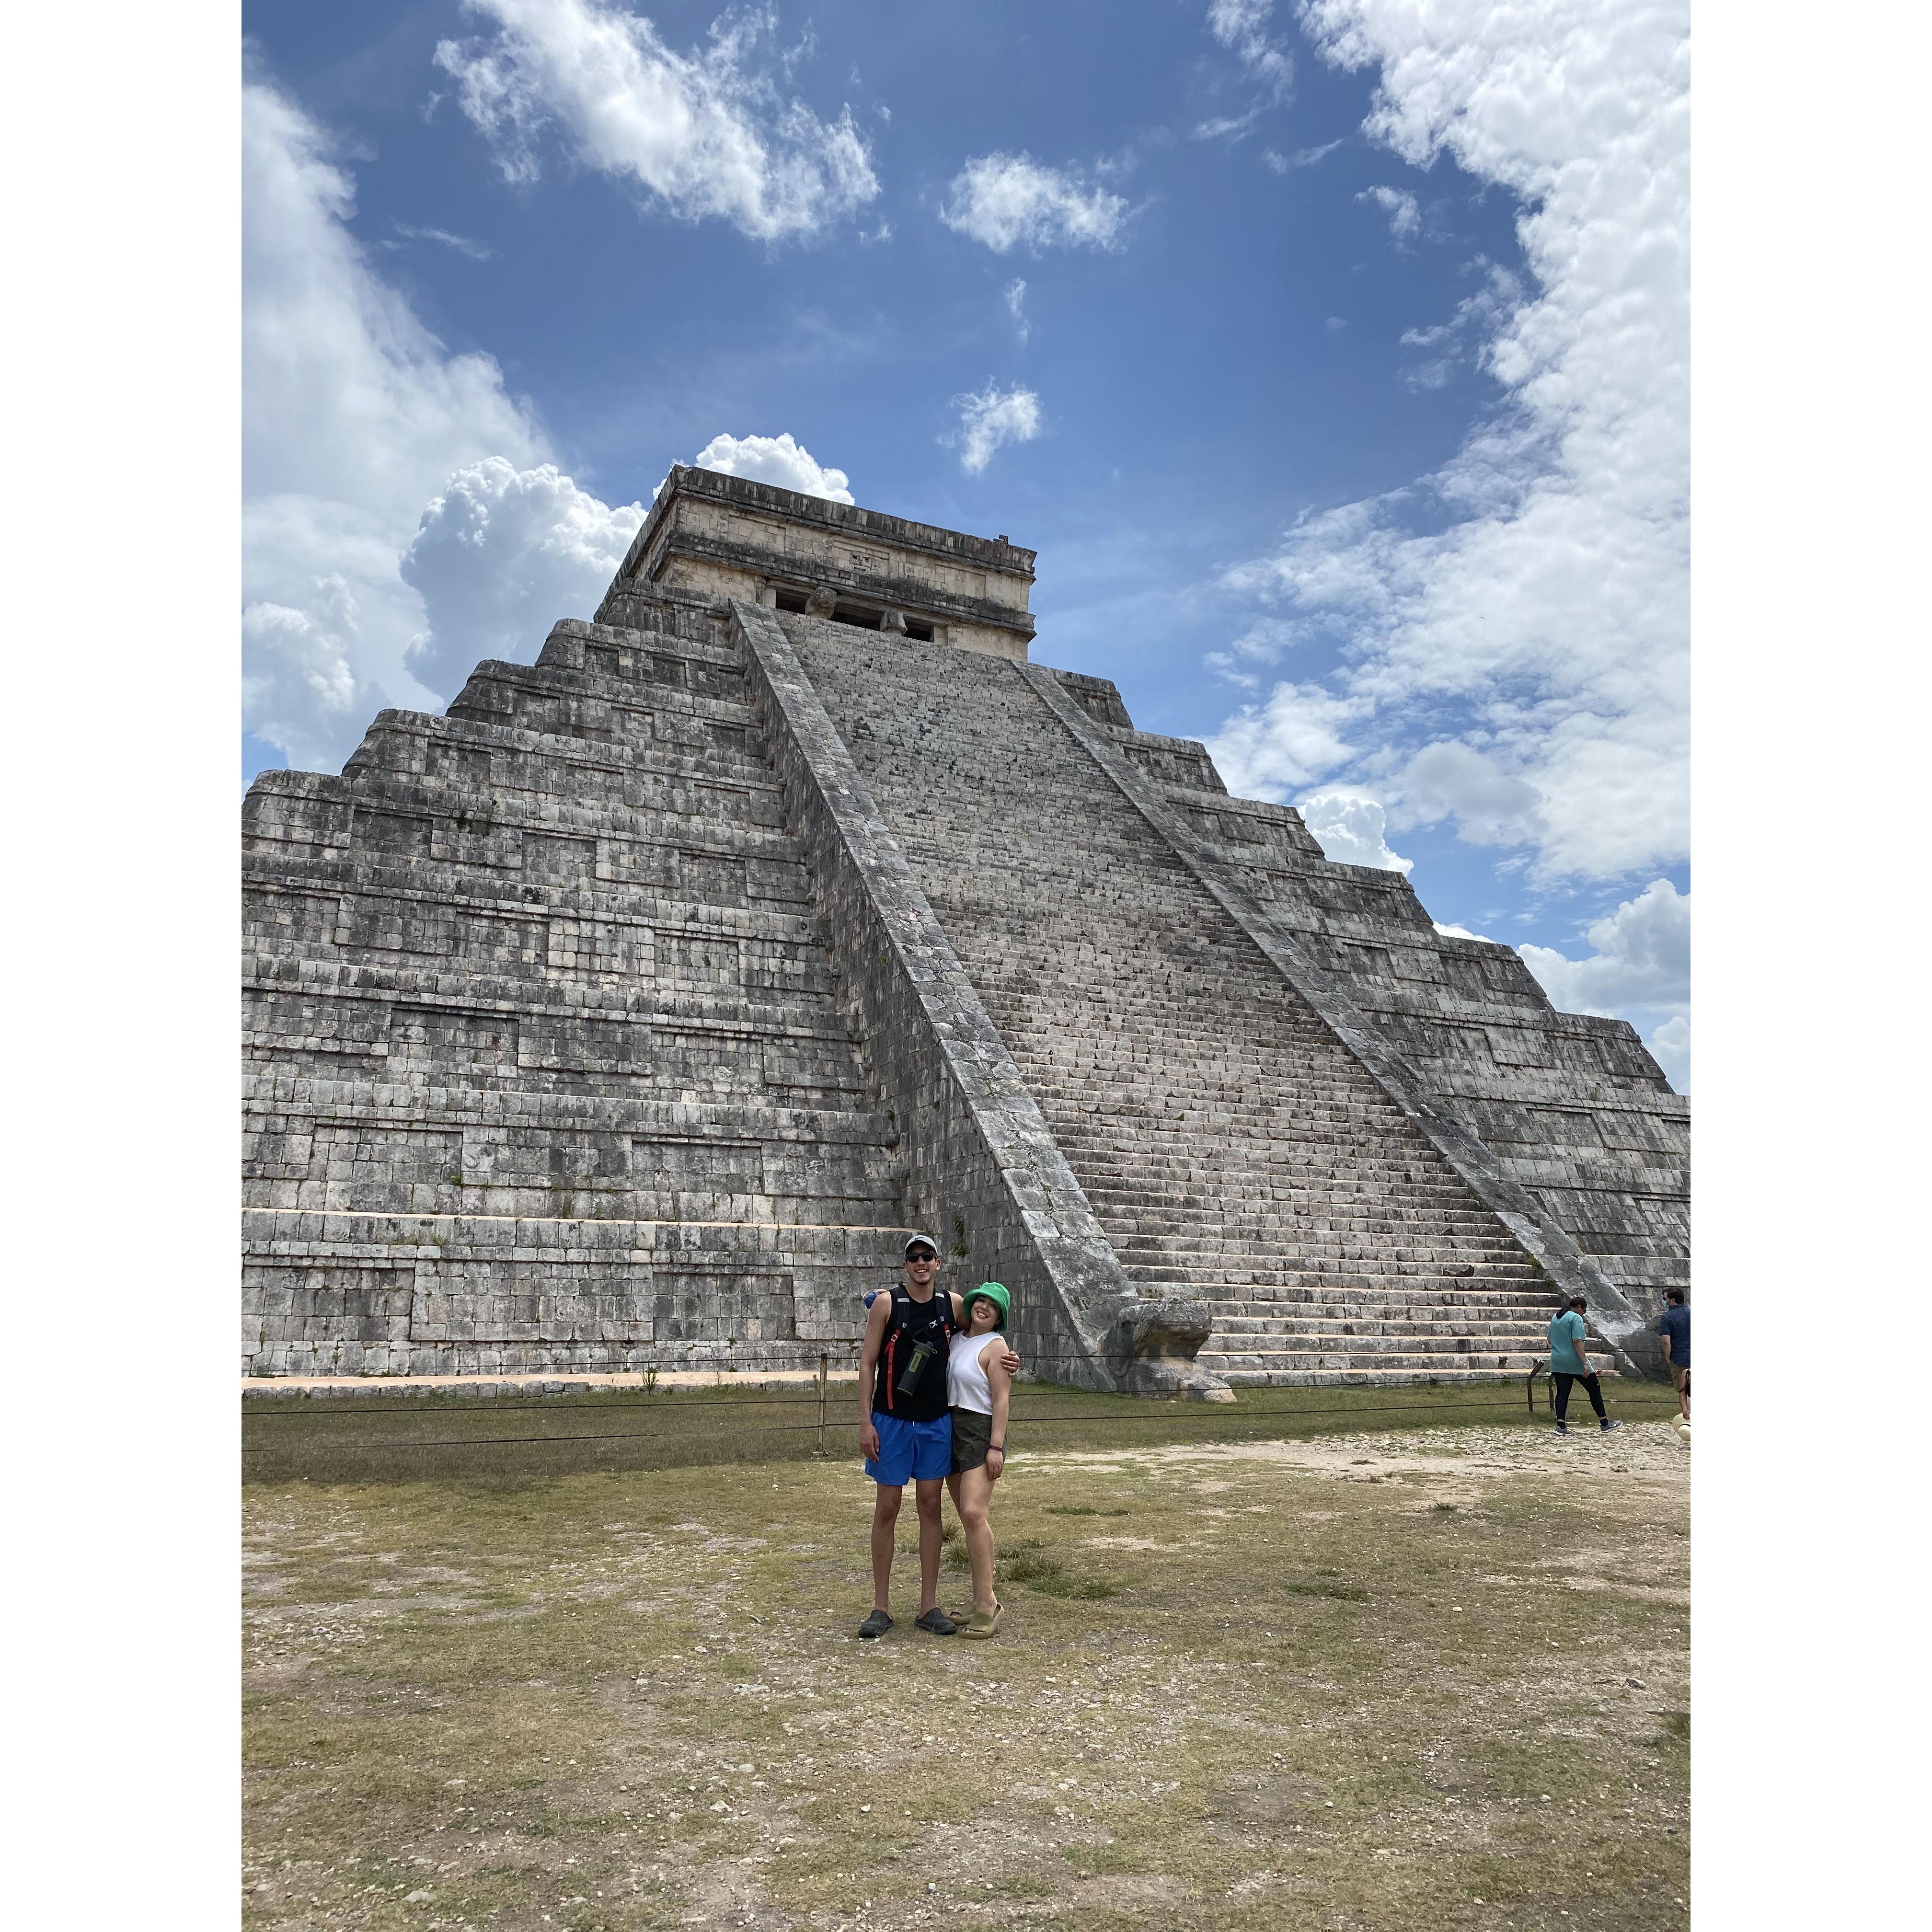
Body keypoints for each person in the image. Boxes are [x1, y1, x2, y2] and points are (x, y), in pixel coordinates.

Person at [855, 1235, 1017, 1638]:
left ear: (939, 1263)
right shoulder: (887, 1304)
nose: (921, 1263)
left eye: (928, 1256)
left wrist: (1010, 1356)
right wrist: (864, 1421)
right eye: (914, 1257)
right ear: (905, 1264)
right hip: (891, 1418)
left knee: (931, 1508)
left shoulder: (952, 1304)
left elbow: (986, 1326)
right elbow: (868, 1363)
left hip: (934, 1423)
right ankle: (881, 1606)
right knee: (887, 1507)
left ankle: (930, 1605)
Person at [945, 1283, 1015, 1640]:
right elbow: (947, 1299)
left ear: (1000, 1316)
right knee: (966, 1517)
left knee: (974, 1513)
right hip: (951, 1427)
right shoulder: (957, 1339)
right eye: (980, 1301)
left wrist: (995, 1447)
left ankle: (988, 1603)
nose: (984, 1308)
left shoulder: (997, 1347)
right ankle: (978, 1597)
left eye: (993, 1306)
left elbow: (1001, 1400)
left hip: (979, 1428)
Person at [1547, 1294, 1622, 1436]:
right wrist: (1585, 1363)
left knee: (1562, 1393)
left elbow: (1550, 1339)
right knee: (1594, 1389)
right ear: (1580, 1307)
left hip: (1558, 1361)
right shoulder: (1576, 1318)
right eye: (1584, 1310)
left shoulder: (1556, 1317)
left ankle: (1561, 1425)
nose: (1584, 1314)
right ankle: (1605, 1422)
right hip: (1574, 1362)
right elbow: (1577, 1341)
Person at [1657, 1288, 1690, 1422]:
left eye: (1666, 1299)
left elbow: (1666, 1341)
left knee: (1684, 1389)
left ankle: (1689, 1417)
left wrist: (1667, 1357)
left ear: (1673, 1300)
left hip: (1679, 1357)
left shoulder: (1668, 1318)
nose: (1665, 1302)